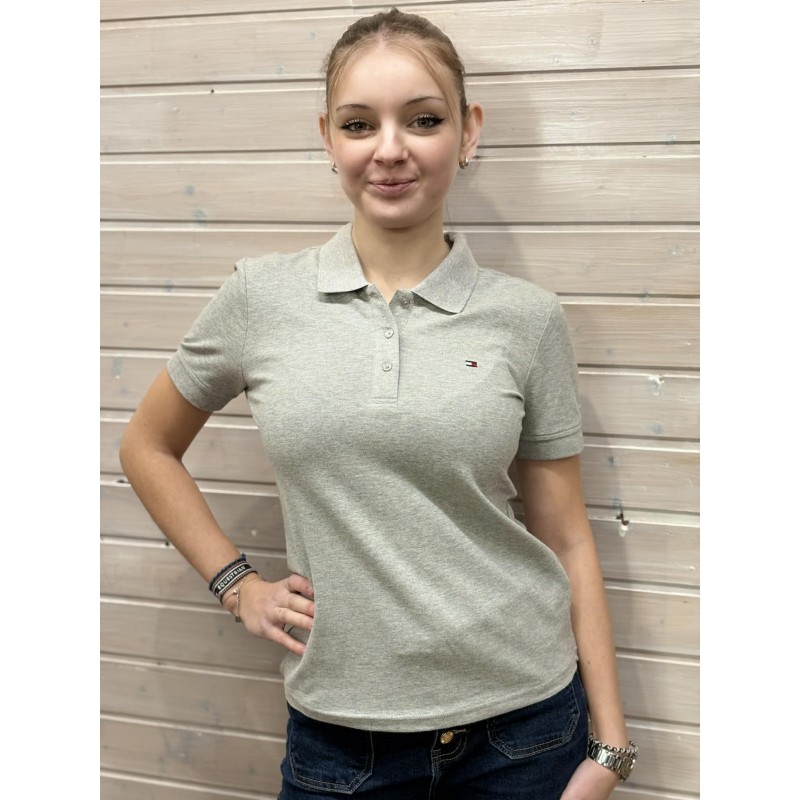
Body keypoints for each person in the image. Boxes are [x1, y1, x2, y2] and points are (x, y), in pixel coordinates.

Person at [119, 8, 637, 799]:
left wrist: (611, 746)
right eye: (360, 124)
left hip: (525, 733)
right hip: (340, 744)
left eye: (423, 120)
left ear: (468, 131)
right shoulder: (261, 298)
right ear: (328, 138)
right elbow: (146, 446)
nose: (389, 149)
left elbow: (566, 538)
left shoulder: (527, 320)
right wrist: (237, 584)